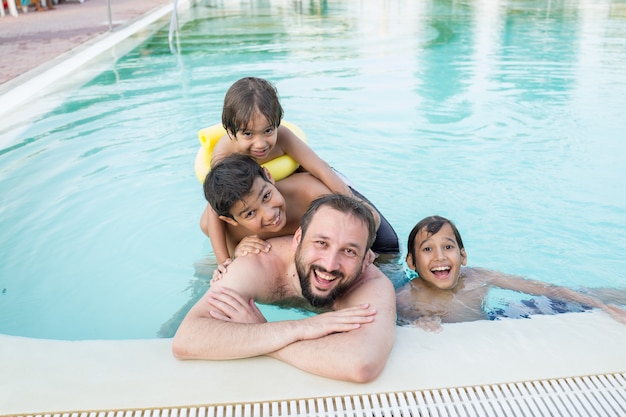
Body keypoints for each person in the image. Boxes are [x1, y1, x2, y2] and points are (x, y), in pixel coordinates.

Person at [173, 194, 397, 383]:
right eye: (321, 243)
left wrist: (262, 333)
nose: (329, 265)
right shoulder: (258, 264)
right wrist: (297, 329)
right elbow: (187, 339)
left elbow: (361, 364)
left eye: (349, 251)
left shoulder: (372, 285)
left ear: (367, 258)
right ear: (298, 239)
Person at [202, 77, 366, 264]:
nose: (261, 144)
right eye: (248, 134)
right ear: (232, 133)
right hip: (262, 195)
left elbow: (320, 168)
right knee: (211, 220)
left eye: (268, 130)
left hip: (288, 190)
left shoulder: (284, 137)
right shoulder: (225, 153)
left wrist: (354, 208)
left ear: (277, 123)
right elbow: (215, 208)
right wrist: (225, 259)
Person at [396, 215, 626, 332]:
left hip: (501, 318)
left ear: (462, 256)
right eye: (427, 249)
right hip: (466, 339)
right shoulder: (405, 297)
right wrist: (416, 321)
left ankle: (617, 297)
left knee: (574, 296)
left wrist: (601, 306)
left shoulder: (478, 277)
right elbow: (390, 323)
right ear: (412, 262)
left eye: (448, 247)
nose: (440, 257)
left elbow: (545, 289)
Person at [200, 153, 399, 265]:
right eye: (251, 214)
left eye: (267, 196)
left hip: (334, 185)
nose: (270, 214)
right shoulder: (226, 228)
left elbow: (369, 216)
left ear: (269, 176)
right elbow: (215, 225)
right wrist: (236, 252)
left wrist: (363, 246)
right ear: (230, 220)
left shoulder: (311, 194)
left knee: (387, 252)